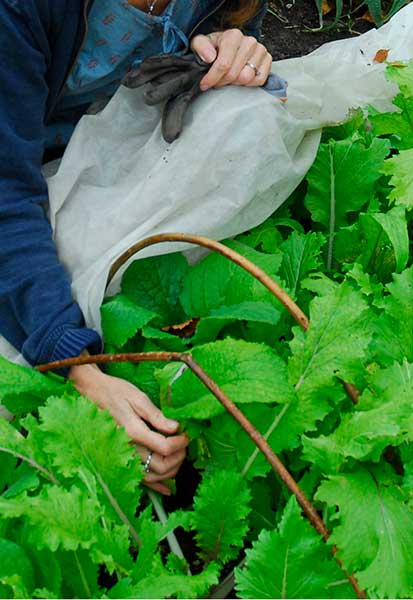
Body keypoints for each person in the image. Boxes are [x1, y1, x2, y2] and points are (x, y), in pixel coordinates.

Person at [0, 0, 274, 495]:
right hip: (19, 168)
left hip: (96, 160)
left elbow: (229, 30)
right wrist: (77, 367)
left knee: (249, 110)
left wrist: (234, 49)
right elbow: (5, 197)